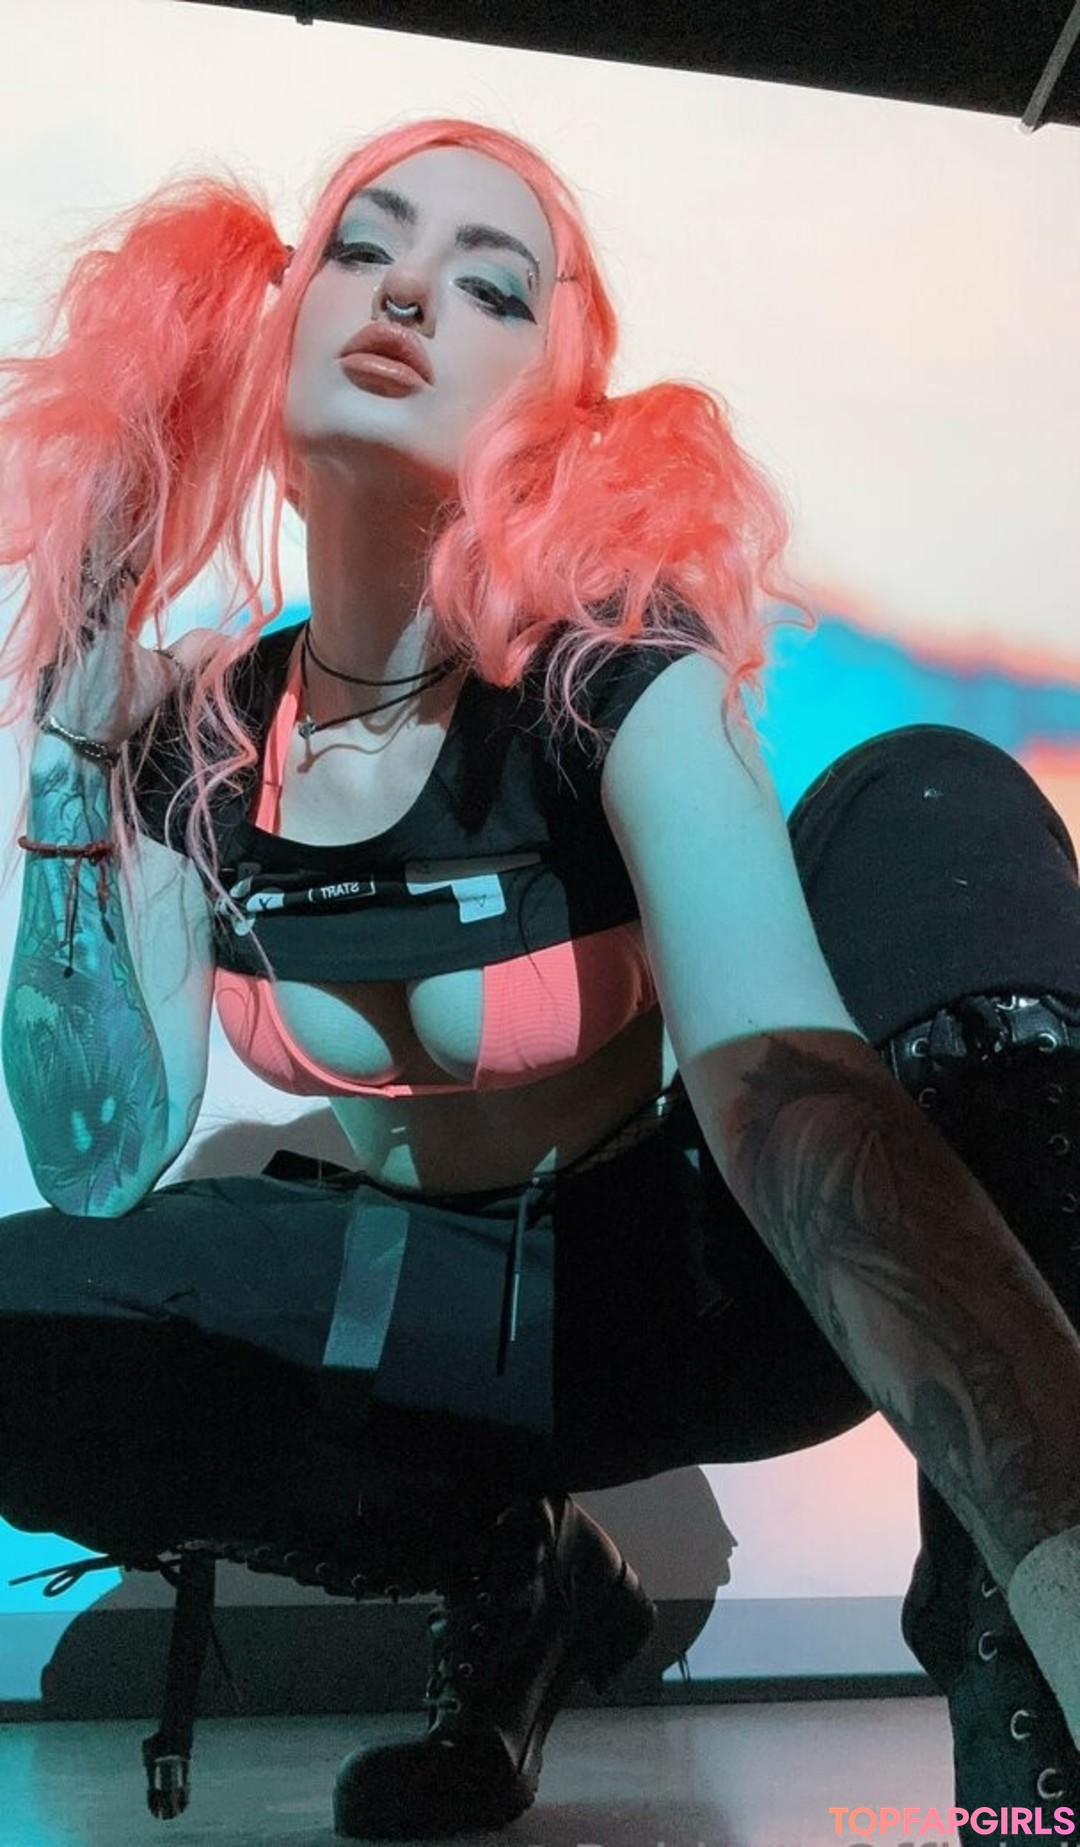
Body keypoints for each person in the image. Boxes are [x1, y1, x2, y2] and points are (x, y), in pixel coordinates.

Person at [1, 116, 1079, 1843]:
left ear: (556, 420)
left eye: (491, 285)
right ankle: (517, 1576)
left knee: (932, 800)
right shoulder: (196, 743)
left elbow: (778, 1068)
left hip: (684, 1292)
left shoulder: (608, 674)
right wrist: (72, 738)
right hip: (417, 1324)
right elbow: (95, 1161)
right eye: (362, 249)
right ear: (273, 348)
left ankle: (1023, 1627)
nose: (409, 292)